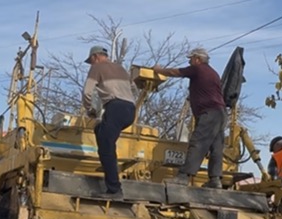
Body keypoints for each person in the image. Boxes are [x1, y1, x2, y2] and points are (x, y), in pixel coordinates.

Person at [153, 47, 226, 188]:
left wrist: (159, 70)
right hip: (220, 113)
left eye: (191, 59)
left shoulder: (198, 69)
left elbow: (175, 72)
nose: (189, 61)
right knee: (216, 147)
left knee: (198, 142)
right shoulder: (213, 73)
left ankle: (183, 176)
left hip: (209, 113)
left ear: (197, 59)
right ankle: (215, 180)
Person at [81, 45, 135, 197]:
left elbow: (87, 91)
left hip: (115, 107)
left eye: (91, 61)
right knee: (101, 132)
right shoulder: (121, 69)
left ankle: (114, 189)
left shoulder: (96, 68)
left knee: (106, 147)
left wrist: (89, 109)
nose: (91, 64)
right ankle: (109, 165)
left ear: (95, 57)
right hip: (130, 110)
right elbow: (134, 89)